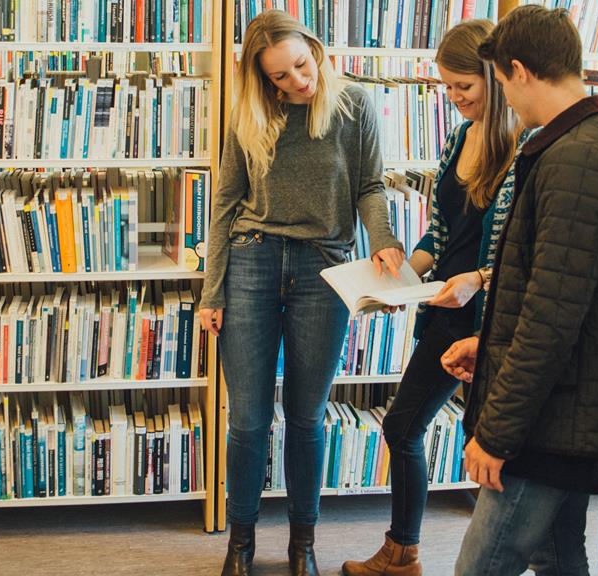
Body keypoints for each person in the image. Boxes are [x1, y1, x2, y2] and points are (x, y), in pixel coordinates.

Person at [439, 6, 598, 575]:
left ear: (520, 70)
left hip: (554, 421)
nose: (504, 98)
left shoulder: (579, 159)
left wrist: (496, 434)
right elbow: (557, 294)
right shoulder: (578, 145)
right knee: (558, 558)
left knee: (483, 564)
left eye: (503, 83)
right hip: (564, 407)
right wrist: (488, 351)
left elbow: (550, 319)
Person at [197, 10, 405, 576]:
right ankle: (240, 544)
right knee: (247, 419)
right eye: (280, 78)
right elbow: (224, 204)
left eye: (301, 66)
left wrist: (383, 241)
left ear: (314, 49)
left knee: (308, 417)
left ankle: (302, 544)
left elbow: (368, 186)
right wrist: (211, 292)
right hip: (252, 261)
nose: (297, 82)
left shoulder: (354, 104)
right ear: (262, 80)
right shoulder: (250, 114)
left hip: (324, 269)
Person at [341, 19, 527, 576]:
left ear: (496, 79)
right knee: (403, 427)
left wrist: (479, 278)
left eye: (463, 87)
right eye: (445, 87)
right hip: (443, 309)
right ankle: (405, 551)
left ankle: (468, 557)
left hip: (491, 316)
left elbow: (526, 253)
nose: (453, 99)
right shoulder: (457, 138)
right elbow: (442, 234)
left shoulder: (528, 149)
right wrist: (397, 271)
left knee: (485, 443)